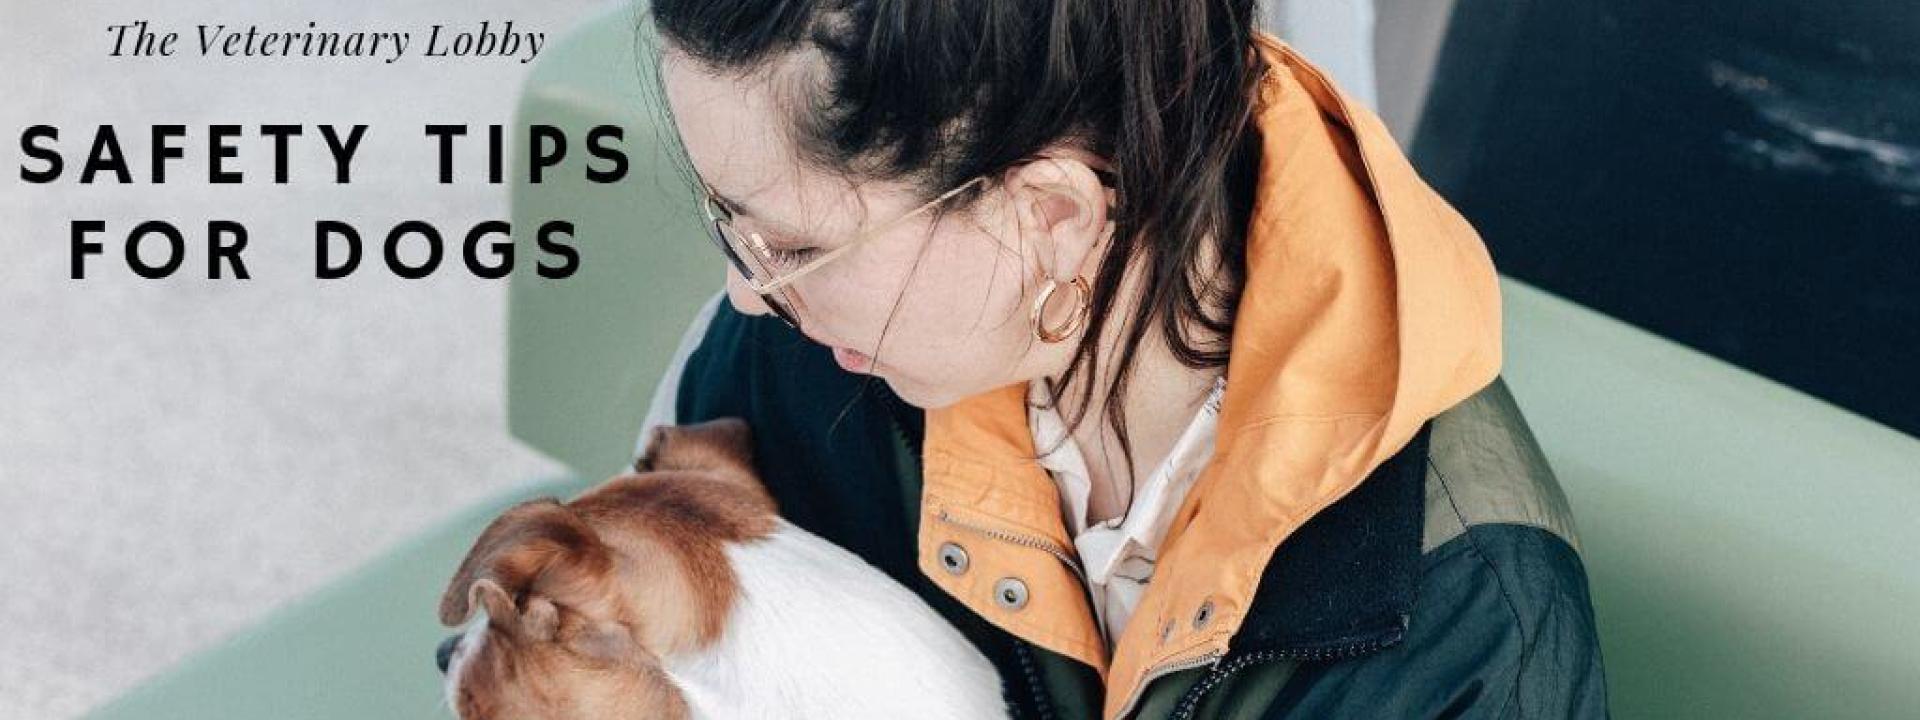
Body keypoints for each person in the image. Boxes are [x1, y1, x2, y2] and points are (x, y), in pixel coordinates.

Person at [637, 1, 1609, 717]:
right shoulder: (795, 363)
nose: (748, 295)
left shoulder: (1470, 623)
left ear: (1051, 218)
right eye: (734, 223)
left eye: (795, 247)